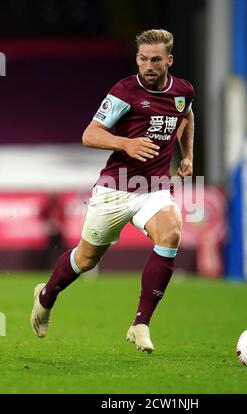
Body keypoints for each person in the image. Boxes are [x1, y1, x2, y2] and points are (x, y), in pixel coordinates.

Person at [31, 29, 195, 354]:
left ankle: (141, 324)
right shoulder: (125, 91)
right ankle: (47, 295)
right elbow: (89, 134)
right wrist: (126, 143)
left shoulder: (183, 91)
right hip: (115, 188)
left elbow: (186, 115)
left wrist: (187, 155)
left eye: (156, 59)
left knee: (171, 231)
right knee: (87, 258)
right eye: (143, 58)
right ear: (137, 58)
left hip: (154, 188)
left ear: (169, 60)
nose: (149, 65)